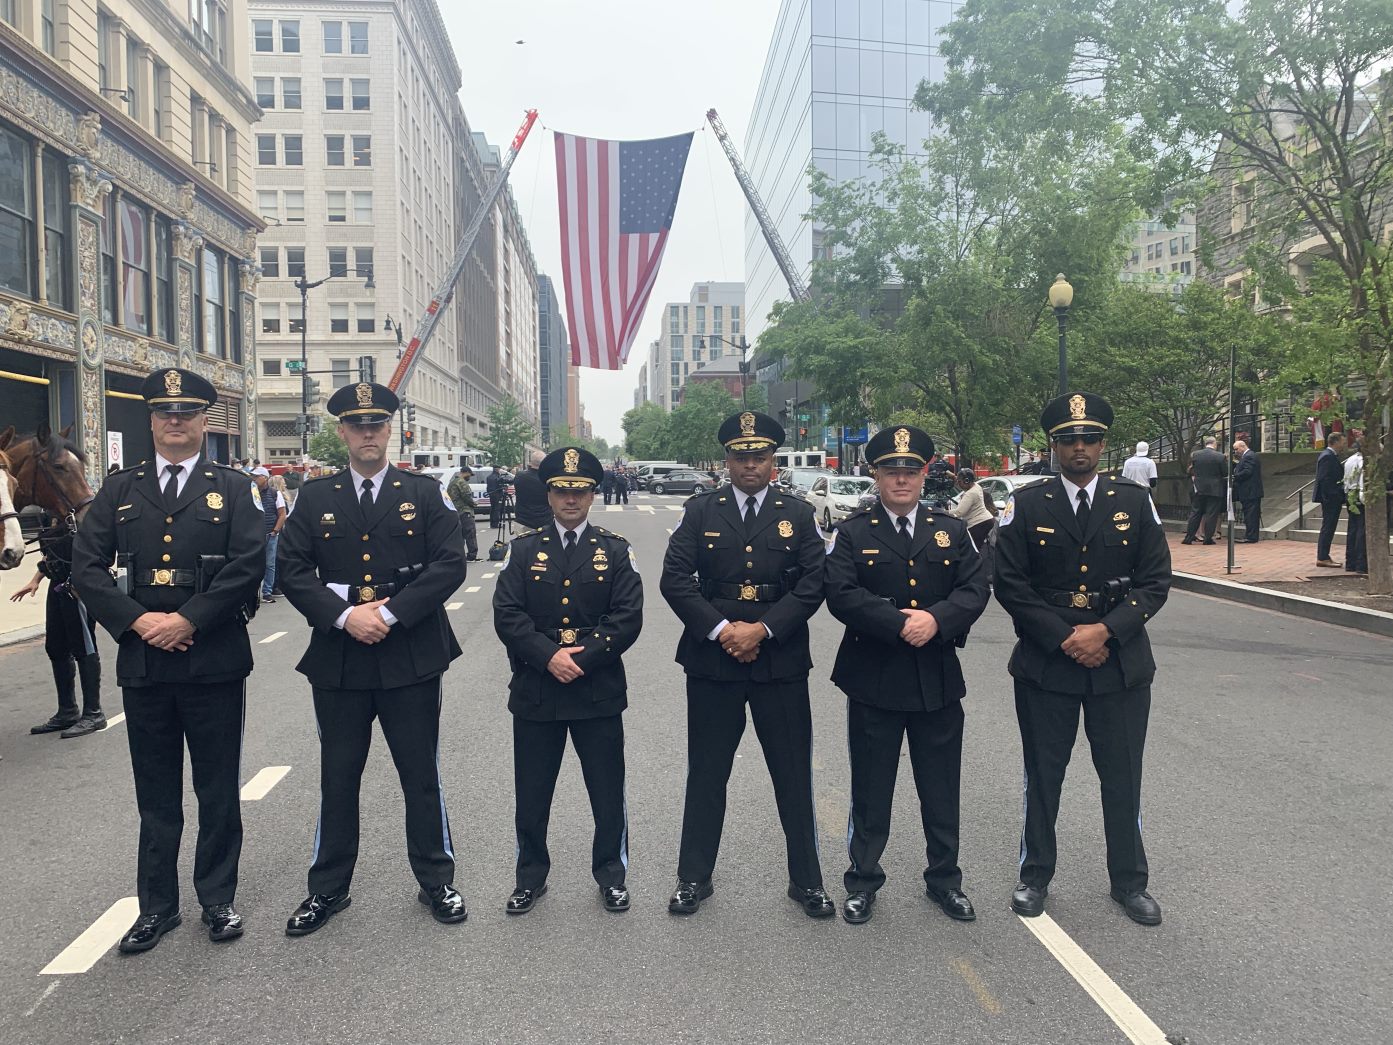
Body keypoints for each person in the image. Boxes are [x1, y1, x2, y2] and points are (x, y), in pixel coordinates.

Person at [71, 367, 263, 953]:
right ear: (150, 421)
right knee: (155, 793)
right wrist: (138, 620)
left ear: (205, 421)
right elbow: (87, 565)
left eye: (185, 413)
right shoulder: (119, 490)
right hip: (145, 662)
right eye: (164, 413)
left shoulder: (232, 487)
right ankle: (157, 907)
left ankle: (217, 900)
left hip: (213, 660)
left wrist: (188, 619)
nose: (174, 422)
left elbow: (248, 562)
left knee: (216, 788)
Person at [276, 381, 469, 936]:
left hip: (409, 652)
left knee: (419, 774)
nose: (367, 433)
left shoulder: (424, 491)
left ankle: (437, 879)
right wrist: (344, 617)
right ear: (341, 433)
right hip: (340, 657)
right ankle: (328, 889)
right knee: (338, 777)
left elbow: (448, 564)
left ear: (391, 431)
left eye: (376, 424)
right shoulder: (314, 497)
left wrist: (387, 615)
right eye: (357, 425)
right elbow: (292, 570)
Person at [993, 392, 1171, 926]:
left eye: (1089, 439)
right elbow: (1010, 583)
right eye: (1068, 439)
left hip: (1119, 664)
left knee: (1122, 775)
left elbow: (1155, 582)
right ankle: (1036, 874)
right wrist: (1066, 637)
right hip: (1049, 663)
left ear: (1103, 444)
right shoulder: (1026, 503)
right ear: (1053, 445)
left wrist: (1105, 632)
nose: (1079, 448)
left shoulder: (1135, 502)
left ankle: (1129, 882)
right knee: (1044, 774)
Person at [659, 410, 835, 919]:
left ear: (773, 461)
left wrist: (762, 629)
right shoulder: (700, 511)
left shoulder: (797, 513)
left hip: (778, 658)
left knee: (792, 773)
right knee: (707, 773)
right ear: (727, 461)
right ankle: (693, 877)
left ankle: (807, 881)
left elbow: (812, 581)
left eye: (760, 457)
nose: (750, 465)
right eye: (741, 457)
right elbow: (675, 579)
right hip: (714, 660)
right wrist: (722, 630)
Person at [824, 427, 990, 925]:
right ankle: (863, 881)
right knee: (871, 788)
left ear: (924, 475)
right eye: (892, 471)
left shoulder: (951, 530)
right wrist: (900, 623)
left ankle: (944, 880)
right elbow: (841, 593)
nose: (902, 479)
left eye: (911, 471)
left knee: (941, 787)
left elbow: (975, 588)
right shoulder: (853, 532)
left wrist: (937, 621)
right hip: (873, 676)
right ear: (875, 475)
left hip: (936, 677)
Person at [492, 446, 644, 915]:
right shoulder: (524, 549)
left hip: (595, 684)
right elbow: (507, 613)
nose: (571, 500)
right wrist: (547, 656)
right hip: (538, 684)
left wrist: (582, 657)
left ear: (593, 494)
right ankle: (530, 877)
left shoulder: (615, 550)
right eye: (561, 490)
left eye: (579, 491)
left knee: (606, 788)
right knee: (533, 790)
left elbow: (628, 616)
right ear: (549, 494)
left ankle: (611, 875)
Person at [12, 520, 107, 738]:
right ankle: (67, 711)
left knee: (83, 645)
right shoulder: (47, 516)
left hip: (77, 587)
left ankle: (94, 713)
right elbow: (50, 554)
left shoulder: (77, 516)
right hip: (56, 584)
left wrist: (83, 582)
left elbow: (97, 551)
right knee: (55, 647)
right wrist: (35, 579)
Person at [1181, 436, 1225, 545]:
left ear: (1206, 443)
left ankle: (1189, 537)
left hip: (1199, 487)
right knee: (1211, 513)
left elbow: (1192, 469)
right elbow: (1224, 472)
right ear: (1214, 444)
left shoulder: (1196, 455)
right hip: (1214, 488)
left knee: (1195, 512)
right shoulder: (1220, 456)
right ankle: (1208, 538)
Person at [253, 471, 286, 604]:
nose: (254, 479)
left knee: (270, 564)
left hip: (270, 533)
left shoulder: (274, 493)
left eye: (256, 476)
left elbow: (282, 513)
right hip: (255, 534)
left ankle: (267, 592)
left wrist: (275, 530)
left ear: (265, 478)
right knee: (254, 564)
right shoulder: (251, 493)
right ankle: (254, 593)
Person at [1314, 431, 1347, 567]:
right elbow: (1325, 479)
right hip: (1330, 499)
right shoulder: (1327, 457)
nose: (1344, 444)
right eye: (1342, 441)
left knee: (1329, 527)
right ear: (1336, 442)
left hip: (1332, 498)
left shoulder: (1330, 456)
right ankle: (1322, 556)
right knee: (1328, 527)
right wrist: (1334, 496)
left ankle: (1324, 555)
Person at [951, 468, 997, 550]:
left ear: (966, 481)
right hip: (987, 520)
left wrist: (943, 512)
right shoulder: (977, 486)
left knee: (973, 550)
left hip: (978, 524)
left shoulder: (970, 493)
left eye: (959, 482)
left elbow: (959, 512)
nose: (958, 484)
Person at [1231, 440, 1264, 543]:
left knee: (1251, 515)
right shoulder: (1247, 456)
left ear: (1243, 446)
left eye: (1236, 449)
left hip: (1250, 491)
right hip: (1249, 491)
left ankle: (1251, 537)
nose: (1236, 451)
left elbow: (1247, 471)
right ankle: (1250, 535)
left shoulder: (1249, 456)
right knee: (1249, 514)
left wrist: (1235, 476)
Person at [447, 466, 481, 561]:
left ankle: (459, 556)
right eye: (469, 474)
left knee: (459, 535)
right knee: (470, 534)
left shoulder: (452, 482)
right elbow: (467, 497)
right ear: (465, 472)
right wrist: (474, 504)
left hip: (455, 512)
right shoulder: (462, 482)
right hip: (465, 511)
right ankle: (472, 555)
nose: (470, 477)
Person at [513, 451, 553, 531]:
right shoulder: (548, 479)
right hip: (545, 520)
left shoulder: (520, 476)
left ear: (530, 462)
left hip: (524, 520)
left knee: (523, 543)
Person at [1343, 439, 1367, 575]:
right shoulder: (1362, 461)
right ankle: (1360, 563)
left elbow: (1346, 479)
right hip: (1358, 493)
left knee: (1352, 528)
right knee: (1361, 529)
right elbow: (1362, 480)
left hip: (1350, 493)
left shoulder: (1350, 460)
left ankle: (1350, 562)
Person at [487, 464, 506, 530]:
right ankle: (495, 524)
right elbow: (499, 485)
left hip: (491, 494)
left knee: (493, 509)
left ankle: (492, 523)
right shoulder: (497, 477)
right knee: (496, 509)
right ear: (497, 469)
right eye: (499, 469)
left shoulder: (489, 476)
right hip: (497, 494)